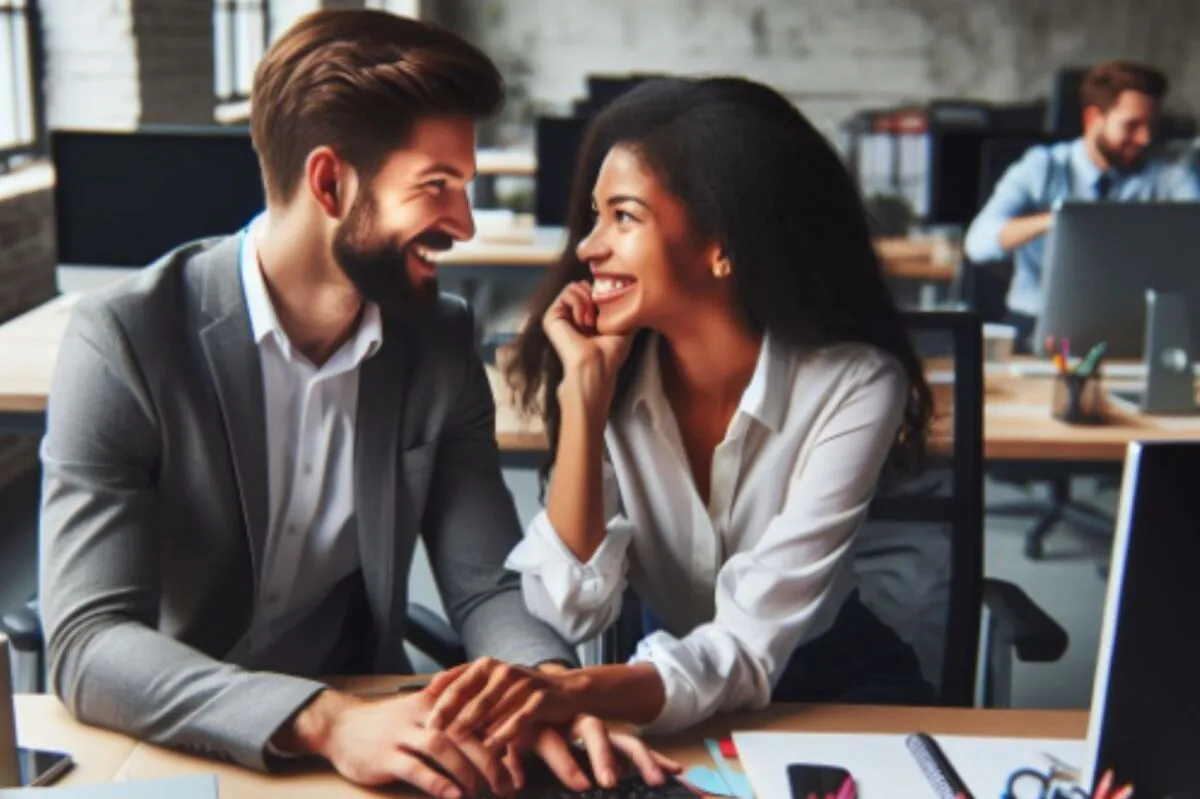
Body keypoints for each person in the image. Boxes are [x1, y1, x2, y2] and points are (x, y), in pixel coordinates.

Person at [38, 10, 671, 797]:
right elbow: (89, 639)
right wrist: (324, 717)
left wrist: (541, 685)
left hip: (374, 738)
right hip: (182, 735)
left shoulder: (436, 340)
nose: (464, 224)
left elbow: (488, 585)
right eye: (437, 186)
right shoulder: (127, 338)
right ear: (330, 182)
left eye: (464, 188)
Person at [419, 76, 935, 745]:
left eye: (624, 217)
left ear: (723, 245)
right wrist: (584, 398)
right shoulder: (606, 365)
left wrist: (571, 690)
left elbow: (749, 645)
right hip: (655, 690)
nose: (588, 246)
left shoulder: (854, 386)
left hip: (824, 693)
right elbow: (571, 608)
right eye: (596, 215)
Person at [965, 60, 1200, 352]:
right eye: (1132, 125)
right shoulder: (1043, 166)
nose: (1145, 138)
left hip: (1136, 329)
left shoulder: (1167, 175)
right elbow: (978, 243)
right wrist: (1057, 221)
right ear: (1093, 119)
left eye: (1151, 125)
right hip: (1037, 324)